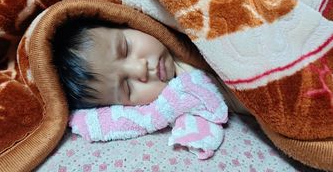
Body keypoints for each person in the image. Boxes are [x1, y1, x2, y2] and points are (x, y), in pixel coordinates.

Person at [52, 18, 249, 114]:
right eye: (127, 88)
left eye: (125, 49)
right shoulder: (188, 94)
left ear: (126, 22)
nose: (140, 70)